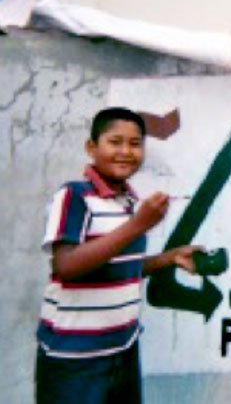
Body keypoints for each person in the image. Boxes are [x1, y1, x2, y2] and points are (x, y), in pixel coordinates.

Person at [34, 106, 201, 404]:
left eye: (135, 144)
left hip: (122, 350)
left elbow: (119, 268)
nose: (125, 151)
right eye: (115, 142)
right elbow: (67, 265)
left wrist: (170, 258)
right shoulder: (75, 196)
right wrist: (138, 225)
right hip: (74, 359)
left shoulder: (131, 201)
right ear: (91, 147)